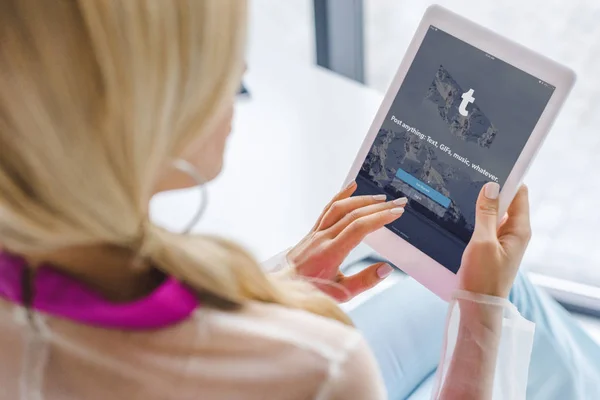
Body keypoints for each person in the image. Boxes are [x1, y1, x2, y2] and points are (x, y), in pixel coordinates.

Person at [1, 1, 599, 399]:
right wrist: (480, 310)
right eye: (220, 68)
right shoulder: (316, 368)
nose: (240, 72)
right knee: (508, 295)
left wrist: (278, 285)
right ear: (140, 113)